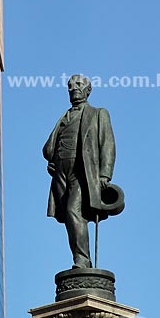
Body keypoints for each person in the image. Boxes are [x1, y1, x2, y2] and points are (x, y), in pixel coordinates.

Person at [43, 74, 116, 268]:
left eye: (78, 84)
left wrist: (104, 175)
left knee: (73, 211)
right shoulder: (64, 117)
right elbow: (49, 148)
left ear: (88, 90)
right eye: (70, 85)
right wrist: (54, 161)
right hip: (60, 173)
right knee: (68, 217)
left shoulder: (98, 113)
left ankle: (82, 260)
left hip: (83, 172)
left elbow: (107, 145)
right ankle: (79, 257)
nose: (73, 87)